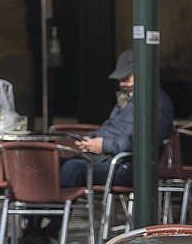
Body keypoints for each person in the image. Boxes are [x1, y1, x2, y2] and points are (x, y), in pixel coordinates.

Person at [60, 49, 175, 189]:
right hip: (109, 160)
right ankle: (46, 209)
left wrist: (104, 145)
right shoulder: (127, 99)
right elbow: (109, 127)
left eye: (126, 78)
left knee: (72, 169)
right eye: (120, 79)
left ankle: (58, 209)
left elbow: (144, 143)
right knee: (53, 163)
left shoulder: (157, 102)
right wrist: (89, 140)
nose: (122, 84)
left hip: (128, 167)